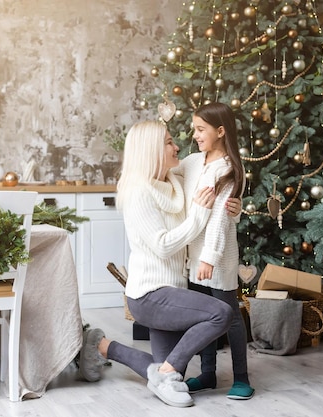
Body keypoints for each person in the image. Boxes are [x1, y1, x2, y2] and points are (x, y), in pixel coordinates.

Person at [78, 120, 235, 408]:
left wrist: (232, 209)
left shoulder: (174, 182)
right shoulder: (139, 192)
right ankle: (167, 373)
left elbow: (213, 173)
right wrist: (199, 214)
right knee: (222, 314)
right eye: (168, 142)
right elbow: (163, 245)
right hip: (150, 296)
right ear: (151, 150)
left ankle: (102, 345)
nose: (177, 146)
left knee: (168, 368)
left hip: (172, 293)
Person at [173, 102, 254, 400]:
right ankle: (208, 373)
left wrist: (209, 258)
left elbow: (220, 219)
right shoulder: (194, 162)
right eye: (194, 129)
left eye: (200, 129)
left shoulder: (229, 169)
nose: (194, 135)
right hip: (193, 256)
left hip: (217, 258)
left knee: (229, 316)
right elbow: (169, 175)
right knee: (202, 317)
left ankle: (242, 378)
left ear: (220, 131)